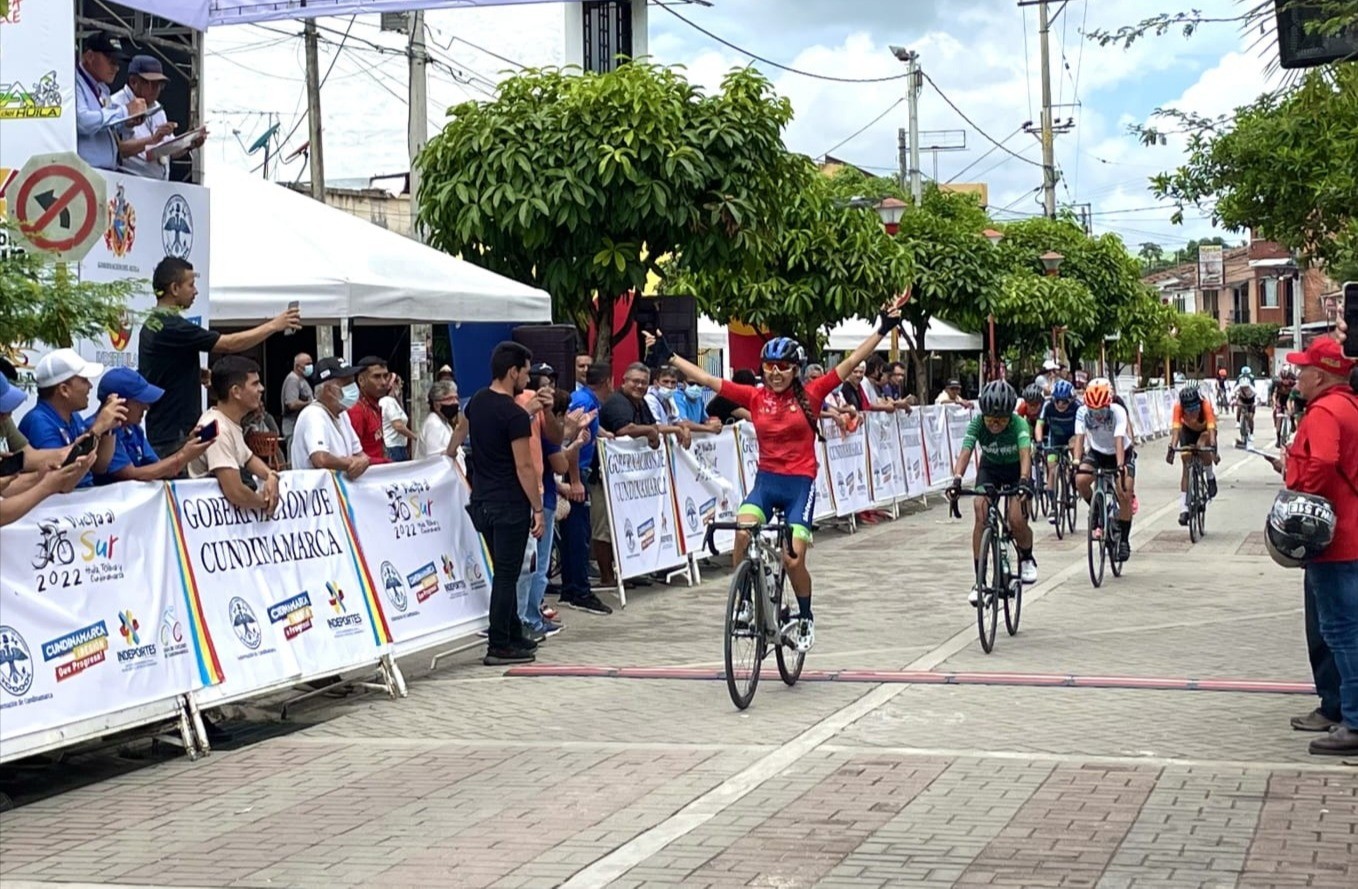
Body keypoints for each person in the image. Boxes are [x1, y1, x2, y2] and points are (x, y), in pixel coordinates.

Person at [652, 298, 909, 652]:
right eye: (769, 366)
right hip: (766, 483)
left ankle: (805, 616)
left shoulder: (813, 393)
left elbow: (850, 362)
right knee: (742, 534)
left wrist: (881, 329)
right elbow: (708, 379)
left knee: (792, 559)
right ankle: (745, 602)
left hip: (799, 485)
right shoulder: (755, 397)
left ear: (795, 370)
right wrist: (670, 357)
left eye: (783, 367)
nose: (775, 373)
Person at [1279, 338, 1358, 754]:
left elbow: (1324, 462)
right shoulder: (1350, 406)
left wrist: (1303, 497)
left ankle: (1354, 721)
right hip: (1350, 534)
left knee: (1341, 631)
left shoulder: (1325, 411)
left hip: (1336, 540)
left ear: (1321, 376)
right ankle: (1343, 711)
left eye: (1304, 370)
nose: (1298, 377)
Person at [140, 256, 300, 457]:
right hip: (174, 436)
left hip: (171, 431)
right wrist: (274, 325)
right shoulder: (170, 325)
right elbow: (228, 344)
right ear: (174, 288)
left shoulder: (155, 324)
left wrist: (194, 373)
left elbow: (160, 368)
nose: (196, 291)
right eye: (191, 284)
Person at [461, 342, 546, 666]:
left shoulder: (478, 401)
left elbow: (461, 433)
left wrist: (448, 454)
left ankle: (512, 633)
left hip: (482, 500)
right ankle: (499, 643)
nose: (528, 379)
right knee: (507, 575)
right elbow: (524, 466)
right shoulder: (514, 414)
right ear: (513, 372)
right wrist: (537, 508)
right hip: (509, 503)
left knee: (503, 570)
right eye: (525, 372)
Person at [593, 362, 692, 588]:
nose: (639, 386)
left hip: (630, 478)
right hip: (605, 476)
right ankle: (607, 577)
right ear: (624, 381)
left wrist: (675, 429)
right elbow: (624, 430)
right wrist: (650, 432)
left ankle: (629, 570)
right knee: (605, 527)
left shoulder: (641, 403)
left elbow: (653, 426)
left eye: (643, 383)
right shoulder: (617, 402)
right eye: (635, 381)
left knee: (629, 523)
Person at [947, 381, 1038, 601]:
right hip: (990, 469)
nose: (995, 424)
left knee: (1016, 519)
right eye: (990, 419)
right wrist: (957, 479)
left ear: (1009, 416)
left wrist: (1024, 480)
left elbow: (1025, 455)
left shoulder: (1019, 424)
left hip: (1016, 470)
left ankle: (1027, 557)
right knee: (980, 510)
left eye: (1001, 419)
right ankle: (979, 581)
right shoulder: (977, 423)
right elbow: (966, 451)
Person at [18, 350, 128, 489]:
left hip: (80, 497)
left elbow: (99, 466)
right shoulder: (39, 422)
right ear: (64, 390)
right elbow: (60, 481)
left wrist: (108, 429)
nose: (90, 386)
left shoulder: (73, 416)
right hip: (63, 500)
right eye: (84, 380)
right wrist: (97, 429)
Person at [185, 357, 280, 515]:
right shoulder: (217, 429)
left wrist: (271, 475)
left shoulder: (229, 422)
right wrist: (265, 501)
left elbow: (248, 458)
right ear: (236, 391)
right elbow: (235, 492)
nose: (261, 389)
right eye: (255, 384)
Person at [559, 362, 614, 616]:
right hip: (576, 471)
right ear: (607, 382)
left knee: (575, 534)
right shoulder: (584, 402)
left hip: (578, 470)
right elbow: (572, 438)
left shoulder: (586, 400)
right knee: (578, 535)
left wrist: (603, 434)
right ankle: (579, 590)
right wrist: (574, 480)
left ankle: (571, 587)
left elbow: (588, 427)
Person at [93, 368, 211, 483]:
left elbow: (160, 468)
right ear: (119, 402)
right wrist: (183, 455)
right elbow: (132, 475)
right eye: (140, 401)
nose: (146, 407)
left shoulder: (133, 428)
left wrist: (189, 445)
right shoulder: (100, 429)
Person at [111, 55, 205, 178]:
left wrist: (189, 143)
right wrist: (153, 139)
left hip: (157, 183)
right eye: (151, 83)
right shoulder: (116, 105)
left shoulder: (157, 108)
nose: (156, 89)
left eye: (160, 84)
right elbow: (117, 150)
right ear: (133, 81)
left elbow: (169, 152)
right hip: (128, 180)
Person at [1074, 378, 1135, 562]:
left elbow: (1119, 441)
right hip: (1098, 452)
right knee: (1080, 480)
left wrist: (1120, 467)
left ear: (1109, 404)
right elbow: (1079, 438)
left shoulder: (1118, 411)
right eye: (1093, 411)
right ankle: (1097, 510)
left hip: (1121, 452)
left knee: (1124, 492)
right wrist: (1076, 461)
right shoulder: (1082, 412)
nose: (1098, 415)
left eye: (1101, 410)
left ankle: (1124, 540)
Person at [288, 357, 369, 479]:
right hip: (315, 489)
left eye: (353, 382)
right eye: (347, 383)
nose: (354, 387)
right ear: (328, 390)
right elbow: (320, 459)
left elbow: (359, 453)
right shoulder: (313, 414)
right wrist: (350, 464)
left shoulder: (342, 413)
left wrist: (364, 461)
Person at [75, 32, 143, 171]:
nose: (116, 68)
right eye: (111, 61)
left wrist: (126, 123)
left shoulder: (102, 88)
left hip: (103, 171)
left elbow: (103, 126)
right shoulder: (74, 83)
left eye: (118, 63)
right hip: (86, 172)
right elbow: (82, 121)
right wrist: (124, 111)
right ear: (90, 56)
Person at [1168, 383, 1220, 525]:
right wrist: (1172, 448)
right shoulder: (1178, 408)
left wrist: (1213, 448)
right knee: (1186, 463)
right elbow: (1176, 431)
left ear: (1199, 404)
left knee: (1202, 445)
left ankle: (1210, 477)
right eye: (1188, 411)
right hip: (1187, 431)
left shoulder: (1205, 405)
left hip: (1205, 431)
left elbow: (1211, 430)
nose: (1192, 414)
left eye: (1195, 409)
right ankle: (1183, 508)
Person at [1034, 379, 1079, 521]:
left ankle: (1073, 481)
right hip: (1055, 439)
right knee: (1052, 469)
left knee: (1076, 459)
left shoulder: (1077, 406)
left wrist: (1078, 446)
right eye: (1057, 401)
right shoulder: (1047, 405)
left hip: (1072, 437)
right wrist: (1039, 442)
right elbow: (1039, 425)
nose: (1060, 404)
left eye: (1064, 401)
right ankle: (1053, 507)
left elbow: (1083, 429)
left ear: (1071, 400)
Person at [347, 357, 392, 465]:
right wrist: (386, 462)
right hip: (367, 473)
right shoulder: (357, 410)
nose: (384, 382)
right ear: (361, 381)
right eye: (377, 377)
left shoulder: (374, 407)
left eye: (385, 376)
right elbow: (351, 454)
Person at [280, 353, 313, 452]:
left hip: (300, 425)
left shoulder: (302, 380)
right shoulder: (293, 380)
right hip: (293, 426)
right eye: (307, 364)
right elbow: (292, 404)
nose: (310, 366)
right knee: (294, 456)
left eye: (311, 363)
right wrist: (310, 403)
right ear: (298, 366)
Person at [379, 374, 417, 462]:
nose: (401, 386)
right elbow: (398, 426)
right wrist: (414, 437)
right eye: (400, 383)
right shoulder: (388, 402)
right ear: (393, 384)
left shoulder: (391, 401)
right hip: (394, 447)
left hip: (397, 446)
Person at [420, 381, 459, 458]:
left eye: (456, 398)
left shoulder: (444, 423)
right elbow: (436, 458)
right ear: (436, 405)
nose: (455, 402)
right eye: (450, 399)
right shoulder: (433, 425)